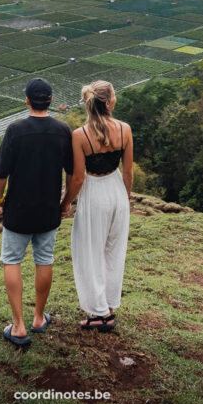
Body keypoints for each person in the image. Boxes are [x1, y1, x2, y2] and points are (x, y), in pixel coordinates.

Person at [0, 77, 73, 348]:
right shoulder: (63, 131)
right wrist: (66, 201)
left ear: (27, 100)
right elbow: (74, 173)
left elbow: (0, 172)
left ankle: (18, 325)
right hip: (48, 209)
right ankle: (38, 317)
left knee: (12, 260)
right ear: (50, 100)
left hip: (18, 210)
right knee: (44, 259)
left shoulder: (15, 130)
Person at [61, 79, 133, 332]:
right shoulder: (125, 129)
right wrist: (126, 197)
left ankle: (99, 312)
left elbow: (78, 178)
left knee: (89, 254)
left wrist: (65, 203)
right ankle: (109, 308)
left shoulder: (80, 136)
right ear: (110, 101)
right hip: (117, 194)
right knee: (114, 252)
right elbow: (127, 172)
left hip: (94, 195)